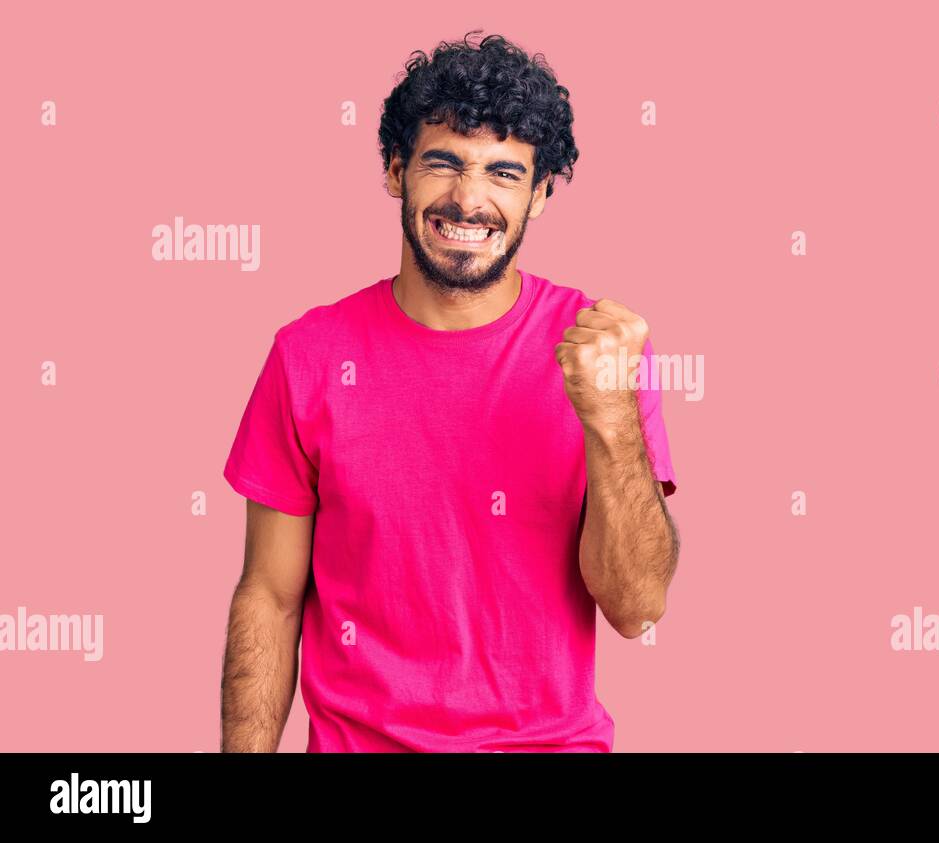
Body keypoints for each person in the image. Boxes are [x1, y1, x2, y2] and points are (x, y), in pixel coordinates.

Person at [219, 31, 679, 753]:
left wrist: (611, 418)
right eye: (443, 163)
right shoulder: (308, 356)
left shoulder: (603, 353)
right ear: (397, 171)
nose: (469, 199)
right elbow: (270, 596)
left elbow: (635, 605)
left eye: (504, 172)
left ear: (541, 195)